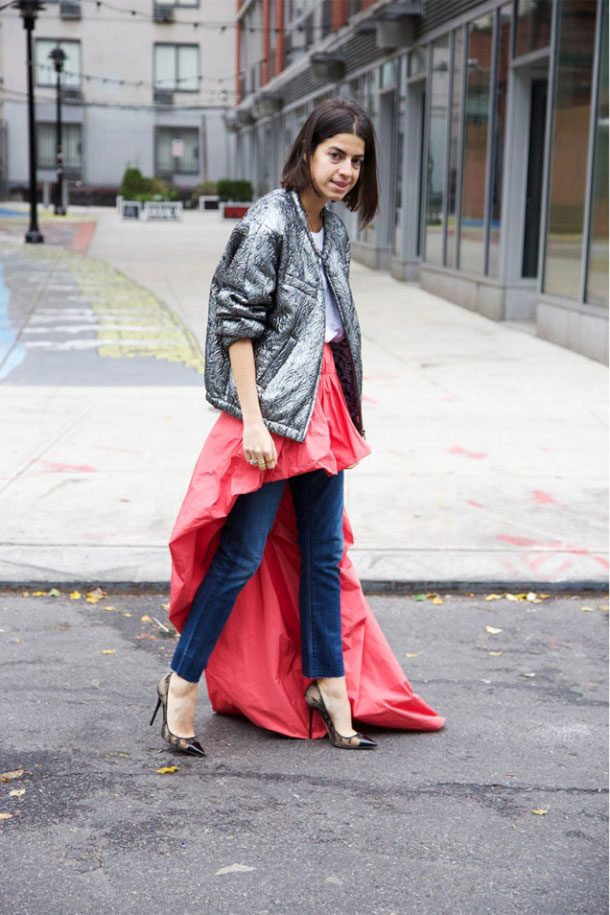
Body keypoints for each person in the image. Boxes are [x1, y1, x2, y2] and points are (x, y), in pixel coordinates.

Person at [150, 97, 445, 757]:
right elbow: (235, 323)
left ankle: (329, 686)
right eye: (335, 155)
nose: (345, 171)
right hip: (276, 413)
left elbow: (327, 328)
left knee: (323, 555)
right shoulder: (268, 221)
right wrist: (252, 421)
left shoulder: (333, 229)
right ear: (308, 151)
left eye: (356, 161)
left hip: (326, 405)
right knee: (242, 555)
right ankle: (181, 683)